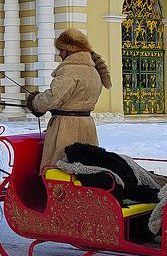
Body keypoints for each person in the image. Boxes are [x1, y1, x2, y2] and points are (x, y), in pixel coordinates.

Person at [25, 29, 112, 174]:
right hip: (87, 126)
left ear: (69, 50)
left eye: (61, 50)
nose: (59, 54)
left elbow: (53, 98)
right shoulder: (93, 71)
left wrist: (34, 101)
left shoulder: (69, 71)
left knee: (59, 171)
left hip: (66, 128)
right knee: (84, 171)